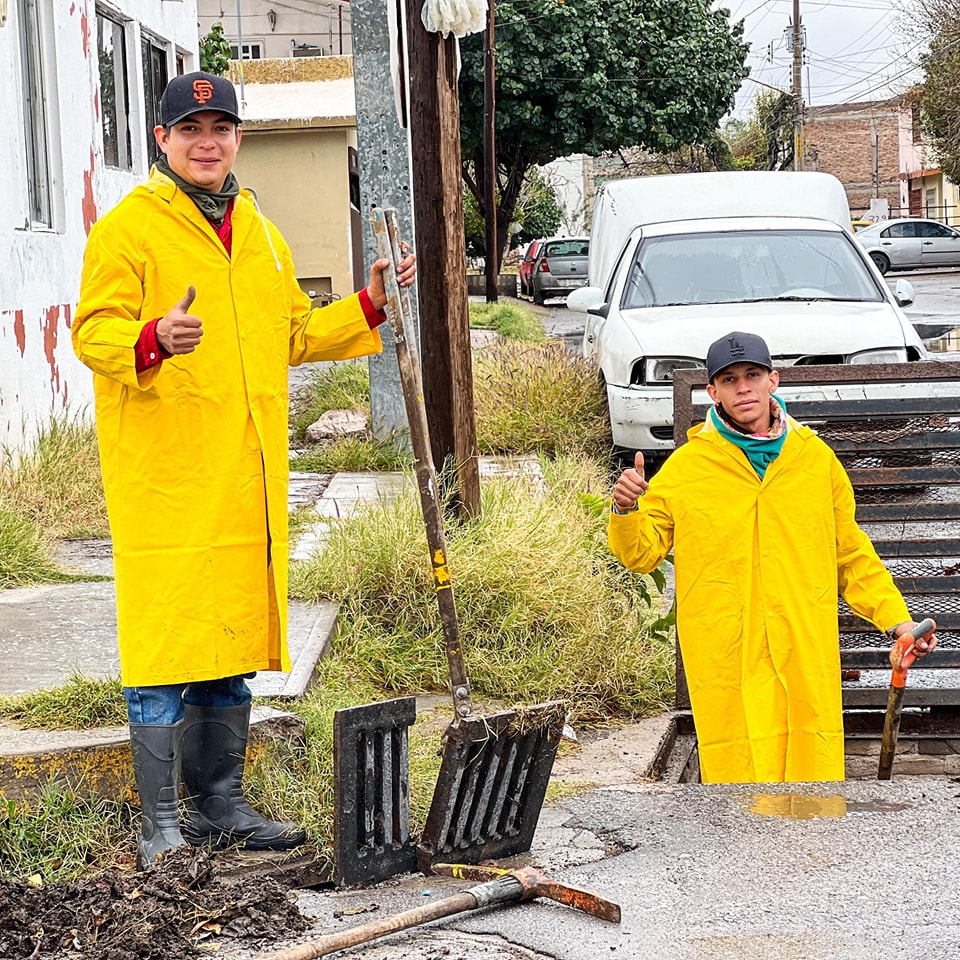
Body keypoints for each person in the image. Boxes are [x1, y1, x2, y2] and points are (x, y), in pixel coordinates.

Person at [72, 71, 416, 868]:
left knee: (228, 642)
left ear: (237, 138)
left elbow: (292, 334)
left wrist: (367, 304)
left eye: (221, 128)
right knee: (165, 646)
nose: (207, 143)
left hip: (244, 477)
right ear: (161, 139)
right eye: (190, 130)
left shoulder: (258, 228)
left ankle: (220, 804)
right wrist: (153, 337)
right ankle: (162, 825)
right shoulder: (128, 230)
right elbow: (92, 332)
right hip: (167, 480)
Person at [608, 331, 936, 784]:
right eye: (729, 379)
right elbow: (640, 554)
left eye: (753, 375)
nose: (743, 388)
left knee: (812, 786)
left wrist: (897, 621)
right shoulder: (686, 470)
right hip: (728, 657)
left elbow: (851, 554)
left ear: (773, 381)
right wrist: (626, 509)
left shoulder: (815, 461)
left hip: (802, 648)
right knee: (739, 787)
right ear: (713, 392)